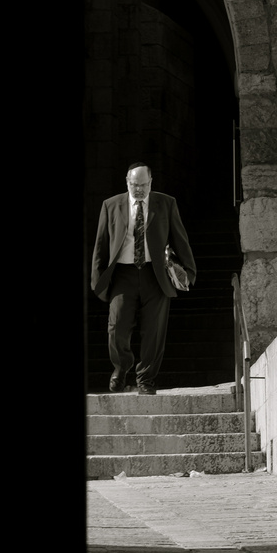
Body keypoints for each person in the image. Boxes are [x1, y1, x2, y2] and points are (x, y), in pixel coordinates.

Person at [91, 162, 196, 394]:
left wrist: (188, 271)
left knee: (154, 330)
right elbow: (100, 245)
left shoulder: (166, 203)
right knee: (116, 326)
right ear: (127, 182)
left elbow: (180, 238)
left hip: (154, 274)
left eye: (143, 185)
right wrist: (97, 278)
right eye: (134, 185)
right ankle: (121, 367)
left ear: (151, 183)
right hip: (123, 274)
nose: (139, 190)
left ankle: (146, 379)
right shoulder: (111, 205)